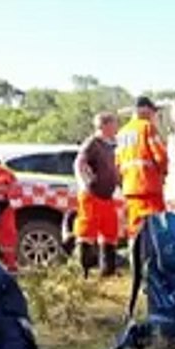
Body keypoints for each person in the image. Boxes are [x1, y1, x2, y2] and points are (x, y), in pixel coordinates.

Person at [73, 112, 122, 278]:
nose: (116, 127)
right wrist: (86, 184)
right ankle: (85, 270)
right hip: (92, 195)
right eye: (114, 124)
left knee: (110, 232)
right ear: (105, 125)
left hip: (107, 196)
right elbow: (79, 164)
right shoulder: (92, 143)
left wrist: (119, 183)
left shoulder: (110, 145)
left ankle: (108, 270)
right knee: (87, 231)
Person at [116, 96, 169, 239]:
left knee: (135, 227)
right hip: (148, 185)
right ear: (145, 110)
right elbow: (160, 156)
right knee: (157, 225)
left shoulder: (122, 132)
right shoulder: (147, 127)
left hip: (129, 186)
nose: (154, 115)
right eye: (153, 111)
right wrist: (163, 174)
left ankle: (135, 251)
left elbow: (117, 162)